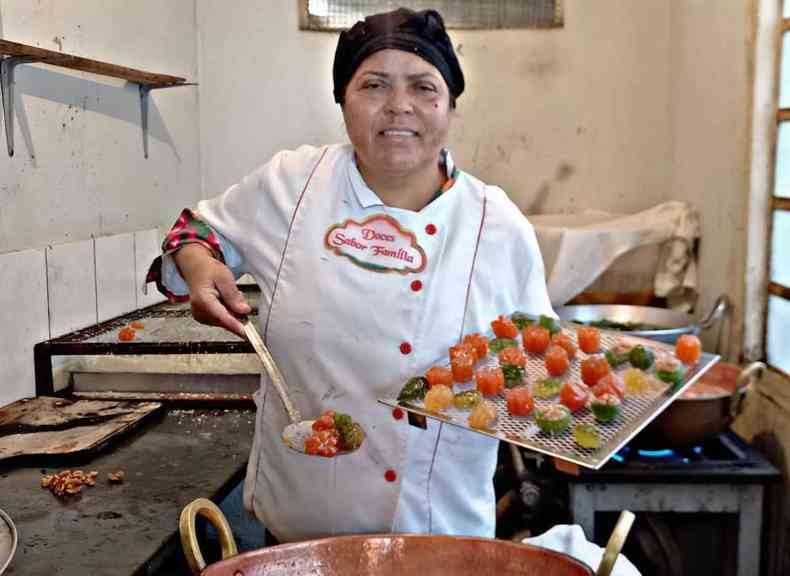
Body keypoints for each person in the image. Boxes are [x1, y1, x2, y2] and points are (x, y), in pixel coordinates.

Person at [147, 7, 554, 543]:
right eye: (374, 85)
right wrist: (199, 265)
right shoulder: (294, 185)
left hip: (437, 543)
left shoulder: (496, 226)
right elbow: (193, 232)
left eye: (423, 86)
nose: (398, 106)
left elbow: (541, 370)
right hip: (296, 544)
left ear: (451, 103)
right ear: (342, 100)